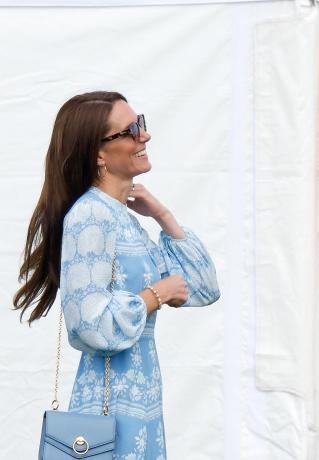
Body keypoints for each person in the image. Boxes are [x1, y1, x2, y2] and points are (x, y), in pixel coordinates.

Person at [13, 91, 220, 459]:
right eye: (130, 130)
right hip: (109, 412)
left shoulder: (123, 220)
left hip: (140, 407)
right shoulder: (90, 217)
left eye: (141, 124)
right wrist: (155, 294)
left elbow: (204, 287)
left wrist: (163, 216)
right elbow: (87, 326)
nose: (144, 135)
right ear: (98, 154)